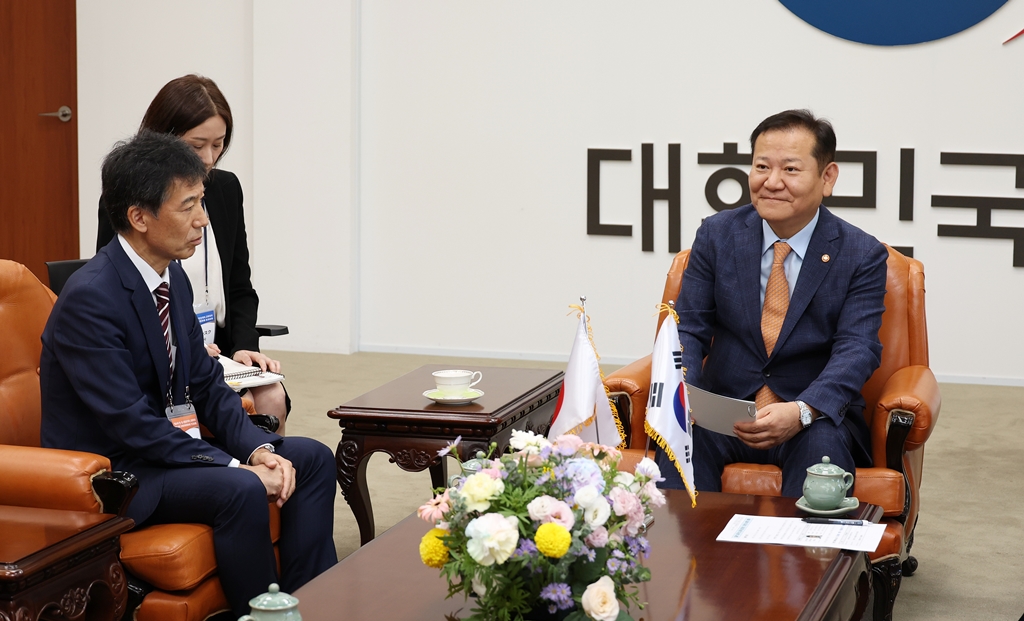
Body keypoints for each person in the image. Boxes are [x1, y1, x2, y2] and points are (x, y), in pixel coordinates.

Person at [42, 131, 337, 617]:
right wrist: (237, 467)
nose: (202, 220)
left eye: (202, 202)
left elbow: (204, 380)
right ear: (139, 217)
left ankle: (307, 603)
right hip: (121, 471)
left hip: (167, 449)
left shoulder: (168, 274)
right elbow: (131, 424)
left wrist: (257, 448)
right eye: (188, 206)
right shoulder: (90, 298)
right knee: (241, 487)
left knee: (311, 457)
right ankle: (260, 612)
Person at [657, 109, 888, 497]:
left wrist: (802, 411)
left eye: (791, 169)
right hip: (722, 412)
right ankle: (687, 559)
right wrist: (688, 395)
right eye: (762, 166)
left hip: (812, 417)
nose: (772, 182)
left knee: (822, 465)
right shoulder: (717, 235)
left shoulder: (860, 253)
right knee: (678, 454)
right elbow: (689, 329)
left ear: (827, 177)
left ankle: (808, 558)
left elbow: (858, 348)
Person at [96, 75, 289, 434]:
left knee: (272, 395)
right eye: (197, 145)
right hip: (164, 355)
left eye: (218, 145)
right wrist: (184, 347)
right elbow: (120, 293)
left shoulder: (225, 189)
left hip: (221, 355)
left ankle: (268, 474)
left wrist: (245, 346)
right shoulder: (129, 202)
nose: (208, 158)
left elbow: (239, 286)